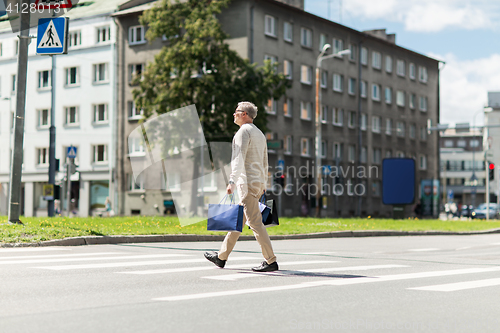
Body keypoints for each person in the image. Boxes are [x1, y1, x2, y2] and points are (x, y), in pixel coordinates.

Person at [204, 102, 278, 272]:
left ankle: (271, 261)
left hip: (247, 183)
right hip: (257, 183)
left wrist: (231, 181)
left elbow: (238, 159)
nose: (234, 114)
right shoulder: (259, 133)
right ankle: (221, 257)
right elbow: (265, 160)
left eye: (236, 112)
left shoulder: (243, 132)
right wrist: (264, 183)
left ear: (244, 114)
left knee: (256, 224)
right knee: (238, 221)